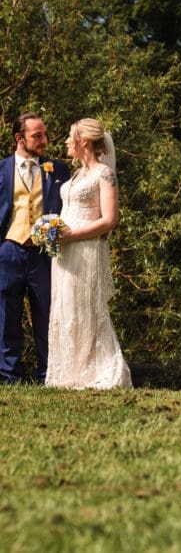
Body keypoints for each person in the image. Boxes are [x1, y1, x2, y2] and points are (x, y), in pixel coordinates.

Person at [45, 118, 131, 389]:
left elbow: (109, 220)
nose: (67, 142)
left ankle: (103, 370)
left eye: (71, 137)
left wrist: (72, 235)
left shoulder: (104, 173)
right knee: (67, 307)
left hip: (86, 249)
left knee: (87, 309)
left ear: (83, 140)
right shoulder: (77, 174)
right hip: (65, 252)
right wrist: (51, 229)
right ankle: (71, 373)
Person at [0, 113, 71, 383]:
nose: (44, 140)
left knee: (48, 316)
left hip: (45, 255)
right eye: (37, 136)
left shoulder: (58, 170)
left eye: (45, 134)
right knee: (7, 317)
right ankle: (9, 376)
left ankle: (48, 374)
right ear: (20, 138)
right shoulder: (1, 169)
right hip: (9, 251)